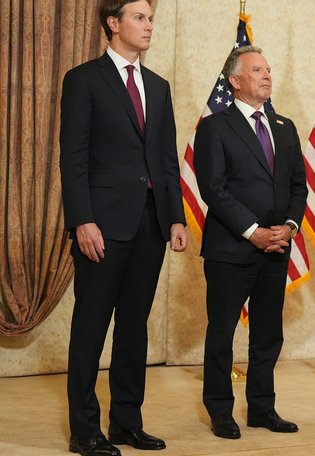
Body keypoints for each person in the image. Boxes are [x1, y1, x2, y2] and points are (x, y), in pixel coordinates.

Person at [59, 0, 187, 454]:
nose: (149, 25)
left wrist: (175, 216)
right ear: (113, 23)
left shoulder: (159, 86)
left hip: (150, 225)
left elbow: (166, 159)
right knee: (91, 329)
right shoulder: (83, 80)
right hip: (102, 225)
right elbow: (73, 158)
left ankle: (126, 423)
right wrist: (82, 220)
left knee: (134, 329)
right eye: (139, 17)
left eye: (151, 19)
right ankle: (85, 431)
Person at [194, 45, 308, 440]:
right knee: (222, 334)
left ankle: (262, 408)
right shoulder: (214, 127)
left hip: (276, 249)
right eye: (257, 70)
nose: (267, 75)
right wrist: (253, 232)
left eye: (268, 69)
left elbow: (298, 186)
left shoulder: (284, 126)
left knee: (267, 334)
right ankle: (220, 411)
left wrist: (289, 226)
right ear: (235, 81)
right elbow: (213, 188)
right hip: (231, 249)